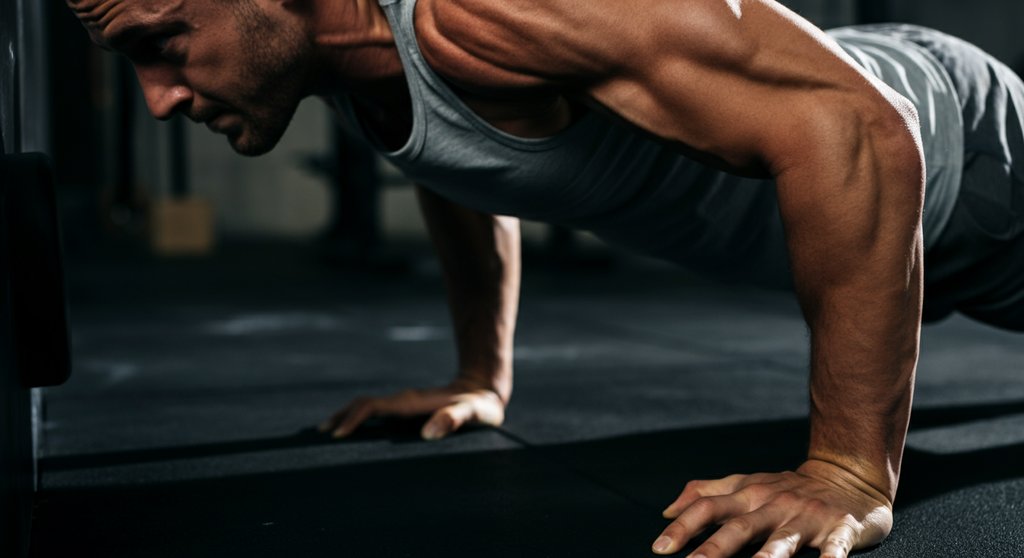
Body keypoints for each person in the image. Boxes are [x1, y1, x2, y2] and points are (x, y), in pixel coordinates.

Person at [67, 0, 1024, 556]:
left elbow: (860, 128)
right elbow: (455, 166)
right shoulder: (364, 71)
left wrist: (847, 473)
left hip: (966, 161)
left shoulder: (490, 10)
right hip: (892, 236)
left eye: (161, 41)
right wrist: (482, 376)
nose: (158, 100)